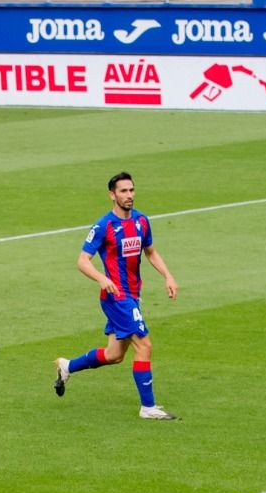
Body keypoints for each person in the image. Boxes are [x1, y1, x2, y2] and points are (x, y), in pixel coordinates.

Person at [52, 171, 180, 420]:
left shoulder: (142, 221)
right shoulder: (104, 226)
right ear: (112, 195)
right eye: (123, 191)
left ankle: (67, 366)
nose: (129, 195)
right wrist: (102, 278)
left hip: (132, 295)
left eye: (131, 190)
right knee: (144, 345)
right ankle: (148, 407)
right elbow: (82, 261)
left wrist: (168, 275)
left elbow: (151, 252)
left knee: (114, 355)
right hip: (116, 296)